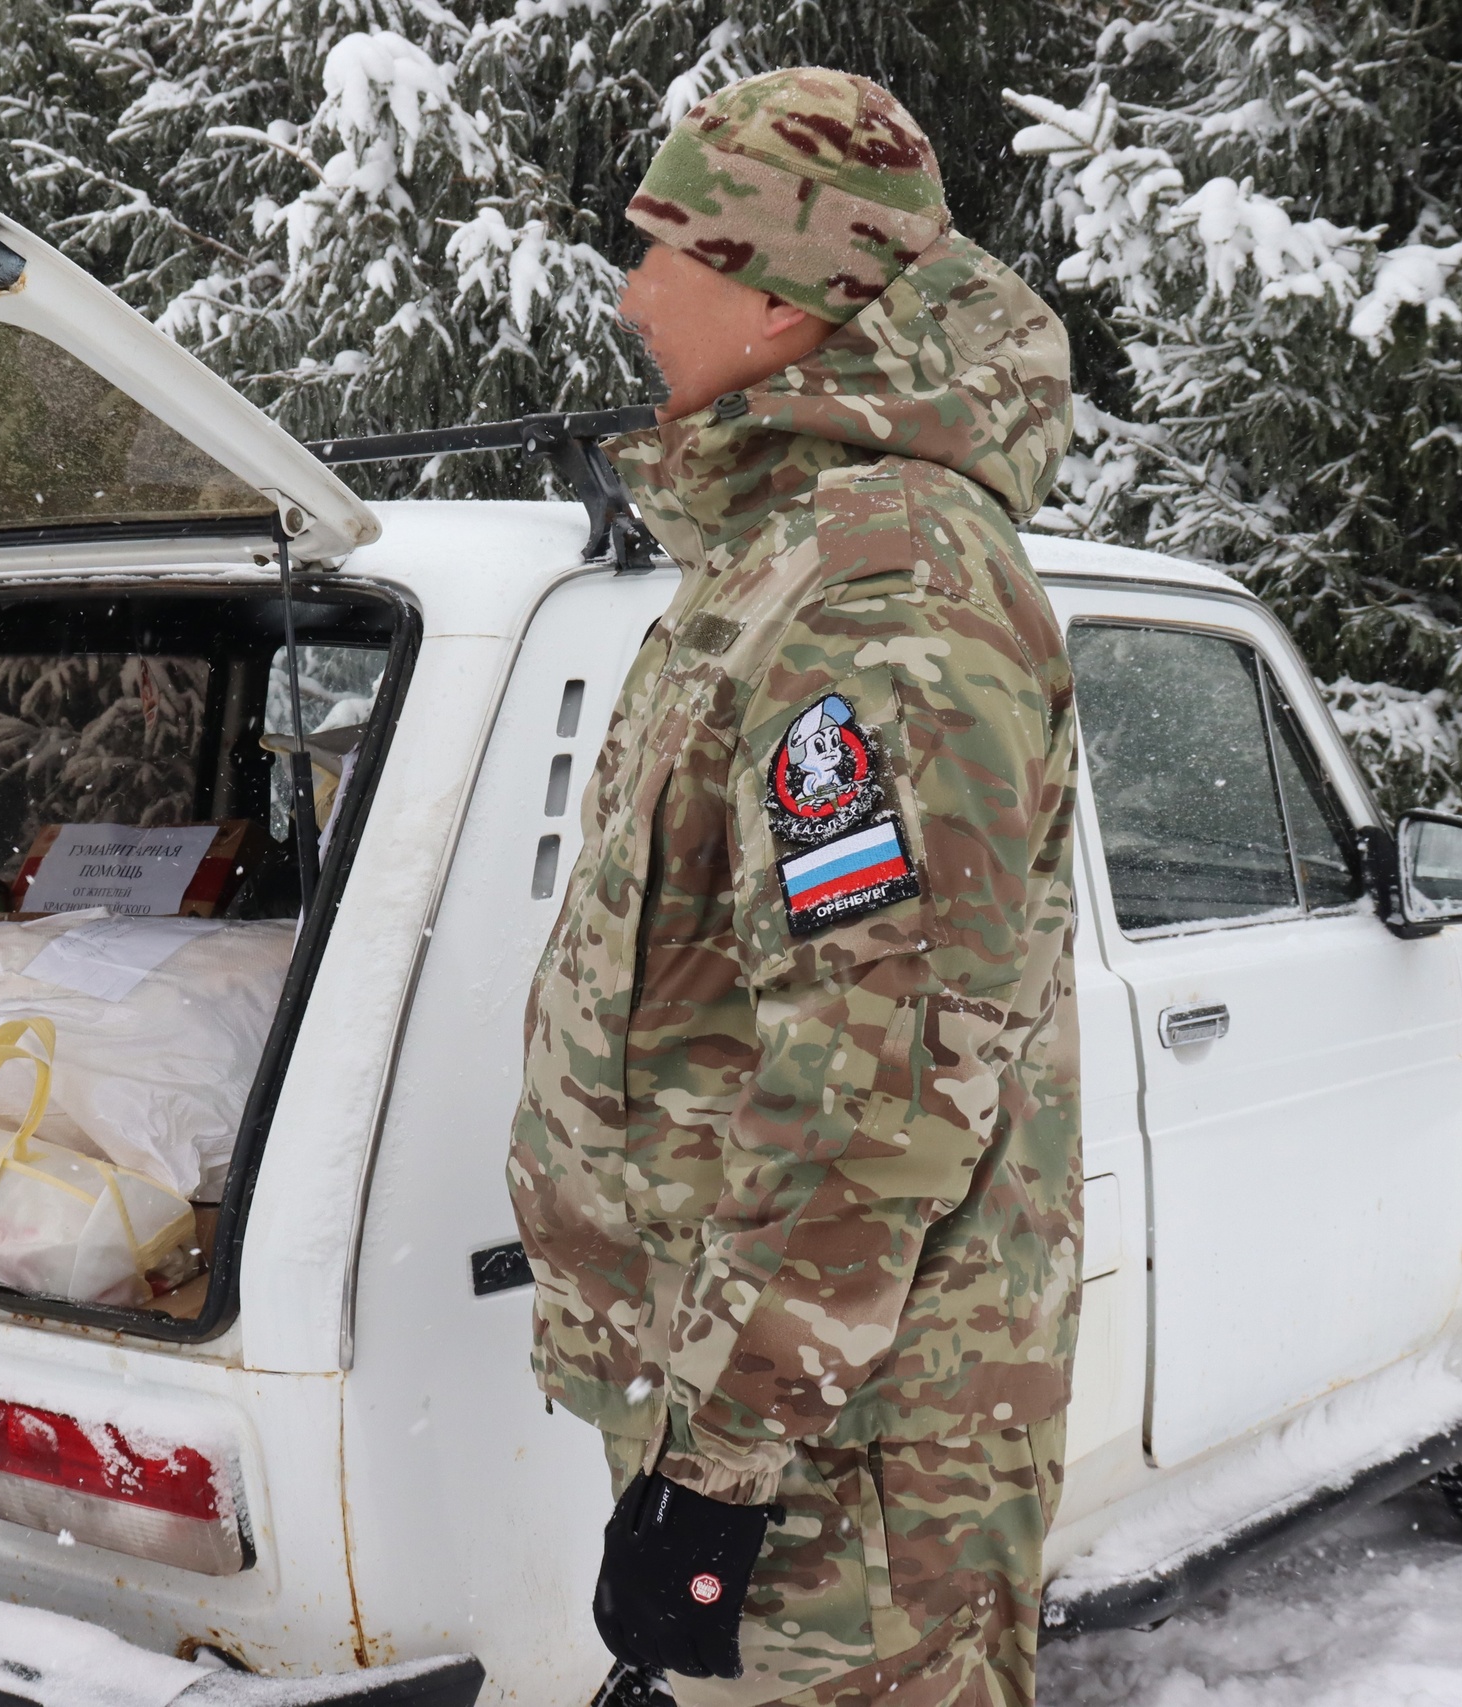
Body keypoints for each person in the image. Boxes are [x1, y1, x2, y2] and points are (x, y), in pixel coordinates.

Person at [505, 67, 1083, 1707]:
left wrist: (719, 1469)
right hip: (786, 1419)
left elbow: (880, 1077)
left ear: (786, 294)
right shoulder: (784, 560)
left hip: (854, 1481)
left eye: (666, 249)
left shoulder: (879, 588)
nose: (632, 294)